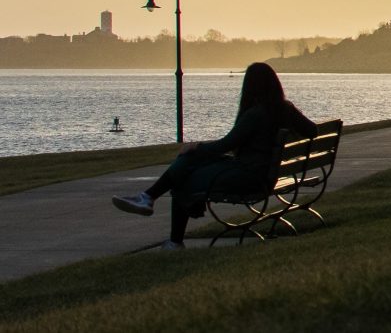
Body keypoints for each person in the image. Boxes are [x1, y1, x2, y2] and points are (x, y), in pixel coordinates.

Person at [112, 62, 317, 250]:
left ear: (251, 86)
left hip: (249, 177)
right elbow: (312, 131)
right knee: (189, 163)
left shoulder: (255, 114)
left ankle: (163, 223)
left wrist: (196, 147)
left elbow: (226, 145)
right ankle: (148, 198)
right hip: (261, 173)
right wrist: (287, 133)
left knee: (184, 174)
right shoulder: (285, 109)